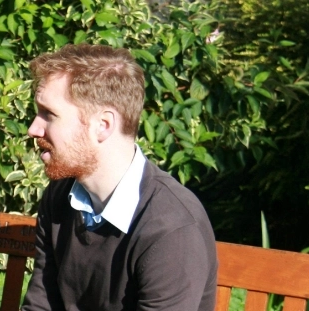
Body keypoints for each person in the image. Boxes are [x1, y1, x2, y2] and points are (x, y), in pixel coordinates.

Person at [21, 44, 217, 311]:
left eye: (49, 114)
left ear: (103, 125)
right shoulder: (60, 196)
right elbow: (41, 305)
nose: (34, 128)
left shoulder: (171, 229)